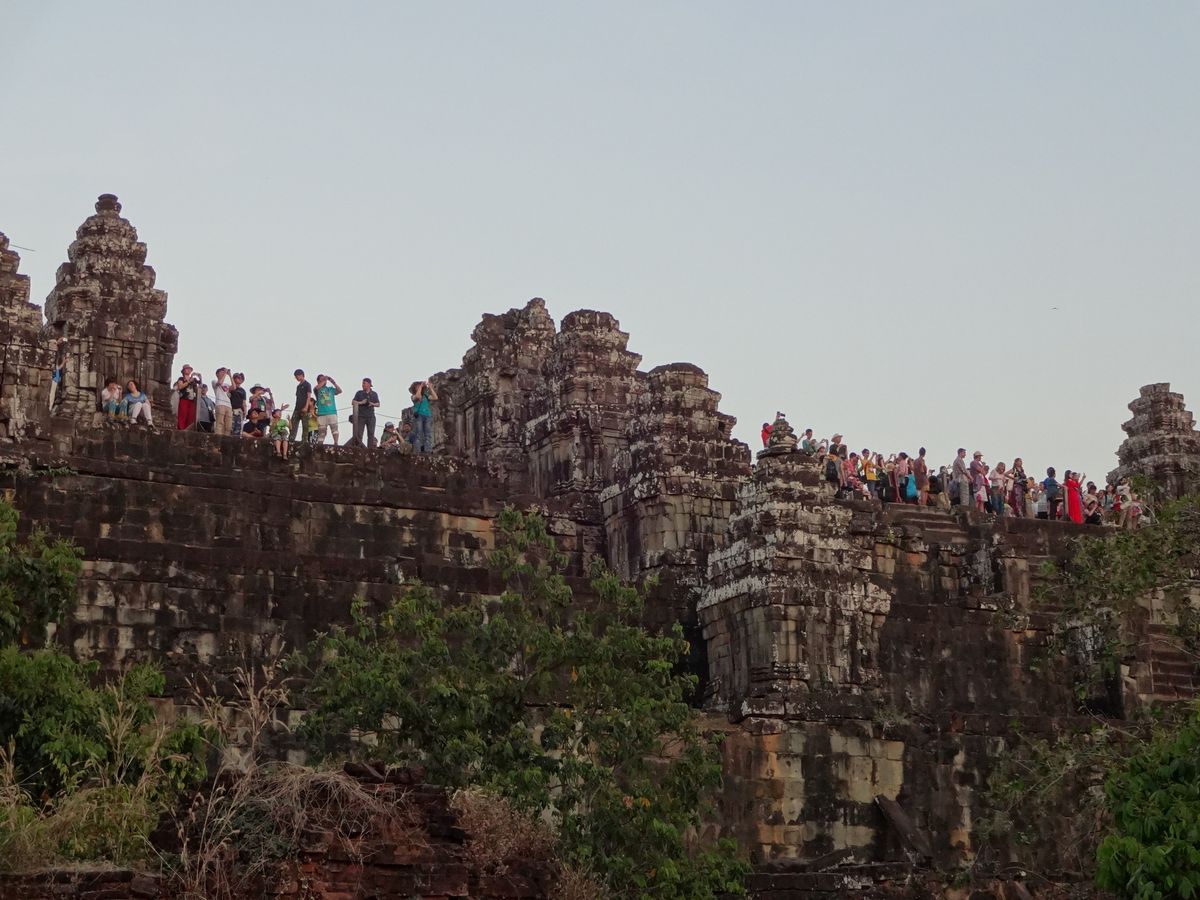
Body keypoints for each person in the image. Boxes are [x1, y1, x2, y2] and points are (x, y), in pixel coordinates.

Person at [409, 379, 438, 454]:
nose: (419, 387)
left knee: (428, 434)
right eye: (417, 386)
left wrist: (430, 388)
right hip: (419, 416)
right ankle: (418, 450)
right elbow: (418, 396)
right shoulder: (413, 396)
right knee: (419, 433)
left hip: (428, 415)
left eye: (419, 386)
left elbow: (435, 397)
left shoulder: (426, 395)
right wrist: (421, 386)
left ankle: (428, 450)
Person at [314, 374, 343, 445]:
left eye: (324, 379)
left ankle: (336, 443)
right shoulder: (317, 389)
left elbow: (340, 391)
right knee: (322, 431)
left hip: (332, 412)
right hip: (321, 414)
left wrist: (333, 382)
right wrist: (325, 380)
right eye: (322, 379)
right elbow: (316, 388)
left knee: (334, 429)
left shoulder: (330, 389)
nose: (324, 380)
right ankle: (320, 445)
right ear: (318, 381)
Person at [351, 378, 380, 448]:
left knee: (371, 434)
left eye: (364, 383)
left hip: (371, 416)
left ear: (369, 384)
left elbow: (378, 404)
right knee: (359, 434)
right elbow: (353, 402)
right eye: (362, 383)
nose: (362, 385)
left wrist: (372, 404)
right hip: (361, 416)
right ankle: (358, 448)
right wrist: (361, 402)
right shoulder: (359, 393)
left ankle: (370, 449)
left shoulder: (374, 394)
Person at [290, 369, 313, 444]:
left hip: (305, 408)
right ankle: (291, 439)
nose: (296, 378)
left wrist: (306, 407)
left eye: (297, 376)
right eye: (295, 377)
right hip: (297, 408)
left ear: (301, 375)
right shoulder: (298, 386)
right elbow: (297, 397)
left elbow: (309, 396)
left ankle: (304, 440)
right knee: (293, 424)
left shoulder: (307, 384)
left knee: (305, 425)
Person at [174, 365, 199, 430]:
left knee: (190, 416)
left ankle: (188, 429)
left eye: (190, 369)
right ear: (183, 371)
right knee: (183, 414)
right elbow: (180, 387)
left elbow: (196, 390)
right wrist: (188, 381)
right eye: (187, 369)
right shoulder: (181, 378)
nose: (189, 370)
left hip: (192, 400)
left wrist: (197, 381)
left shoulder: (193, 380)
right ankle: (181, 429)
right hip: (184, 399)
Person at [211, 368, 234, 435]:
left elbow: (234, 387)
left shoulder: (226, 384)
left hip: (228, 405)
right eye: (222, 371)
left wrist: (230, 375)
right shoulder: (214, 381)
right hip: (220, 404)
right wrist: (225, 374)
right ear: (217, 374)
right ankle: (218, 438)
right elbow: (220, 383)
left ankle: (226, 439)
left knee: (228, 425)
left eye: (224, 371)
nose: (223, 373)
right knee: (220, 422)